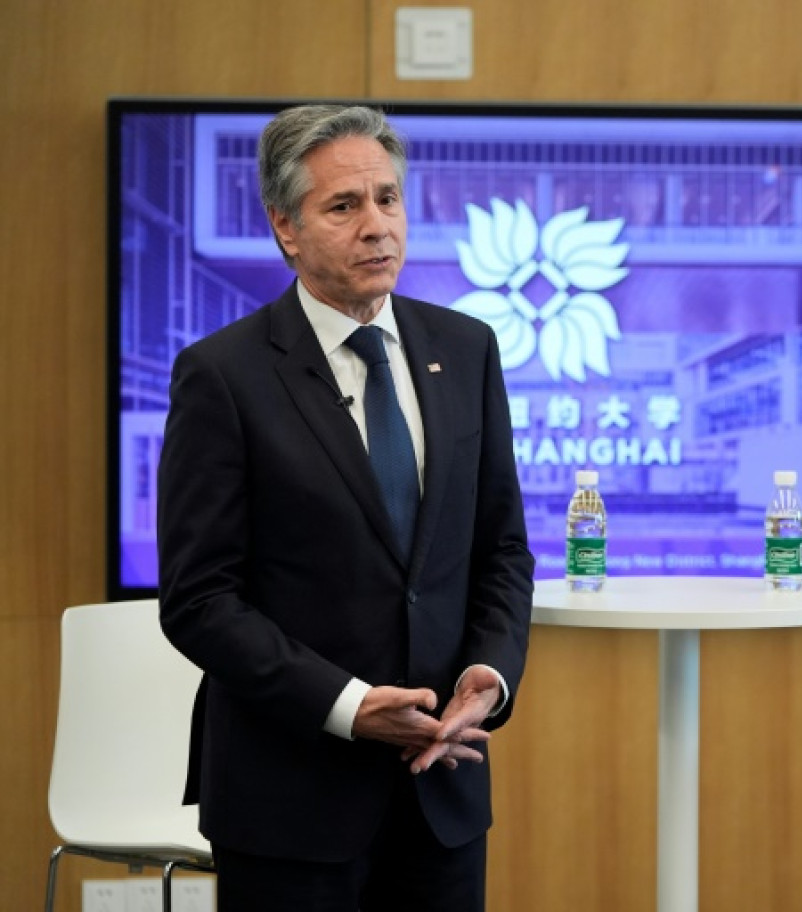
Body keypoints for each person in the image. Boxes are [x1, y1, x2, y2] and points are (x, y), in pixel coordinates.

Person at [158, 104, 535, 912]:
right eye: (345, 206)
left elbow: (502, 548)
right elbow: (198, 602)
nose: (378, 227)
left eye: (389, 199)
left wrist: (490, 674)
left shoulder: (467, 349)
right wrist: (348, 707)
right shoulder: (222, 376)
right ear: (285, 228)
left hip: (443, 791)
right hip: (289, 797)